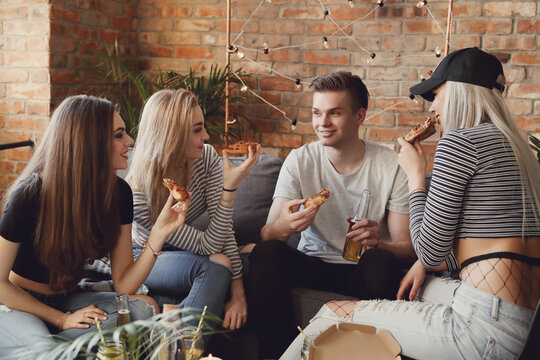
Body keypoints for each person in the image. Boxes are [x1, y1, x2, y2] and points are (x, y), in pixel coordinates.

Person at [281, 47, 540, 360]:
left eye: (437, 94)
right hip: (524, 319)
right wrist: (420, 266)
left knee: (331, 313)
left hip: (483, 328)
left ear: (458, 93)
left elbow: (429, 251)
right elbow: (487, 247)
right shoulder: (518, 149)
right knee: (414, 289)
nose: (432, 107)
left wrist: (416, 175)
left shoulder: (459, 143)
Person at [0, 95, 189, 357]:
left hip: (67, 298)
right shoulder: (30, 195)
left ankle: (47, 348)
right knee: (45, 352)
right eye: (119, 135)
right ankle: (46, 347)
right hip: (19, 302)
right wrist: (61, 320)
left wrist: (159, 233)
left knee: (141, 309)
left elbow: (124, 284)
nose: (130, 142)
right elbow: (0, 284)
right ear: (89, 143)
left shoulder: (119, 193)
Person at [248, 71, 416, 358]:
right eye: (316, 113)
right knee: (265, 253)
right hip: (313, 263)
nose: (322, 123)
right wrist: (284, 227)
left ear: (360, 116)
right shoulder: (300, 160)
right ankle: (276, 354)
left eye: (334, 113)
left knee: (382, 260)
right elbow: (267, 235)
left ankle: (369, 352)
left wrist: (380, 243)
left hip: (364, 269)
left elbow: (408, 248)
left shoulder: (391, 165)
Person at [125, 89, 260, 340]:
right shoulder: (138, 193)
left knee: (256, 255)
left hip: (187, 251)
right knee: (219, 265)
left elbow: (223, 229)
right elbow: (209, 244)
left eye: (203, 127)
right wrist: (229, 190)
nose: (207, 136)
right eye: (197, 129)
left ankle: (170, 313)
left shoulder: (206, 157)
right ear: (172, 135)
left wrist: (238, 294)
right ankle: (184, 351)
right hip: (147, 257)